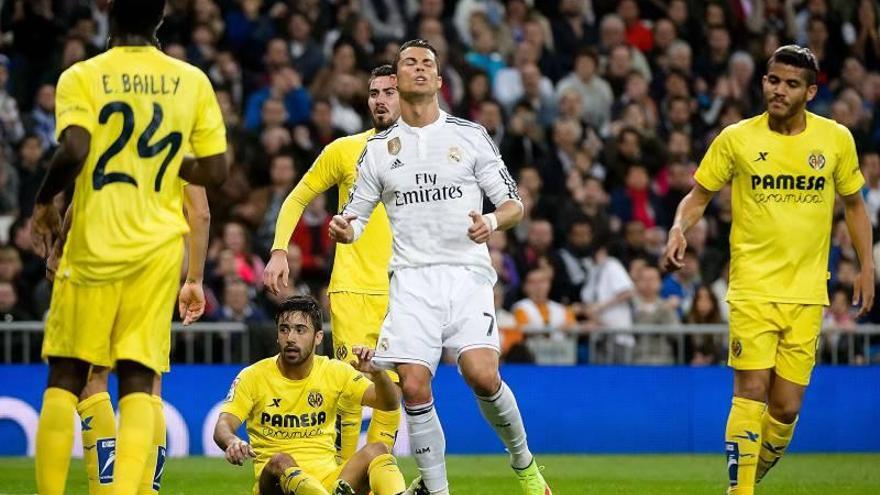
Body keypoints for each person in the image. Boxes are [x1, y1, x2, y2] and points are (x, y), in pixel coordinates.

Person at [331, 39, 551, 495]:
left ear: (437, 80)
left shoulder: (469, 136)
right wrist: (343, 229)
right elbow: (354, 217)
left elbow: (514, 204)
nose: (417, 69)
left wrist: (490, 221)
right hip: (411, 281)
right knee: (412, 385)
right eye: (408, 62)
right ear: (396, 78)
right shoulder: (378, 151)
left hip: (466, 275)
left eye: (426, 63)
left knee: (482, 374)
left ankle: (525, 465)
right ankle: (438, 489)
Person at [31, 1, 228, 494]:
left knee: (69, 376)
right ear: (159, 20)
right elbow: (215, 175)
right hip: (159, 252)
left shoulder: (83, 76)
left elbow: (75, 150)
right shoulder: (191, 81)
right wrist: (162, 163)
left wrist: (42, 203)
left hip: (96, 244)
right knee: (141, 381)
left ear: (108, 17)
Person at [661, 45, 874, 495]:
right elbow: (698, 195)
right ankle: (742, 492)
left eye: (791, 84)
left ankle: (742, 480)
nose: (778, 90)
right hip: (752, 286)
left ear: (810, 92)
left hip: (808, 290)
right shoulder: (737, 138)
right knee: (751, 388)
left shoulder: (835, 139)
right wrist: (679, 227)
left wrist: (866, 266)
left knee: (786, 408)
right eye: (773, 80)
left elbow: (854, 206)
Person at [263, 64, 402, 462]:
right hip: (354, 289)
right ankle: (339, 478)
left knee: (393, 392)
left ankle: (372, 478)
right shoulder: (345, 150)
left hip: (406, 294)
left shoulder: (424, 156)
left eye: (389, 92)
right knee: (350, 390)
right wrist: (278, 250)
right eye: (374, 92)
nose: (379, 100)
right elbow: (297, 198)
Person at [213, 296, 406, 495]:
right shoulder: (253, 376)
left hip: (328, 484)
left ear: (318, 337)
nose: (290, 338)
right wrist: (232, 441)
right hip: (276, 485)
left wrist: (378, 374)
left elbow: (388, 403)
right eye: (284, 329)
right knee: (280, 461)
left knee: (377, 450)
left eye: (300, 330)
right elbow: (223, 425)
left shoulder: (334, 371)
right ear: (277, 335)